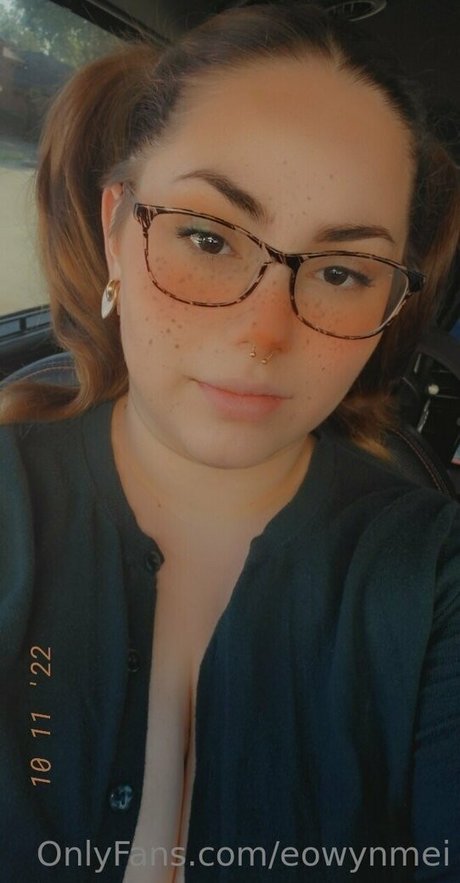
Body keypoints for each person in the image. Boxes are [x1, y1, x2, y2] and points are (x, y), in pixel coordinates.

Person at [0, 3, 459, 881]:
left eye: (341, 272)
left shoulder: (433, 577)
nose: (264, 335)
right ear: (117, 232)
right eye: (207, 236)